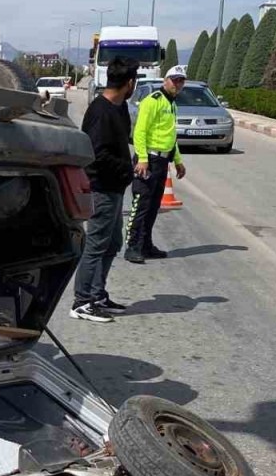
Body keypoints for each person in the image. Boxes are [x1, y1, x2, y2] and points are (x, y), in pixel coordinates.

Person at [70, 57, 139, 323]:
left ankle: (98, 295)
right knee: (96, 245)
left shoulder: (119, 108)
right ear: (129, 83)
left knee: (113, 243)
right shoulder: (100, 111)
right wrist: (126, 170)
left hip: (115, 187)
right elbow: (95, 154)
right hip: (101, 187)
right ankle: (82, 301)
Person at [126, 64, 188, 264]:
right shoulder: (152, 101)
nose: (177, 84)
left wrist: (178, 161)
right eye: (174, 80)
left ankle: (146, 245)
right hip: (149, 160)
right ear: (165, 80)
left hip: (162, 160)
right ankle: (132, 246)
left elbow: (171, 136)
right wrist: (142, 158)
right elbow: (140, 131)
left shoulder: (172, 104)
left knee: (153, 206)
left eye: (181, 81)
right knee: (141, 205)